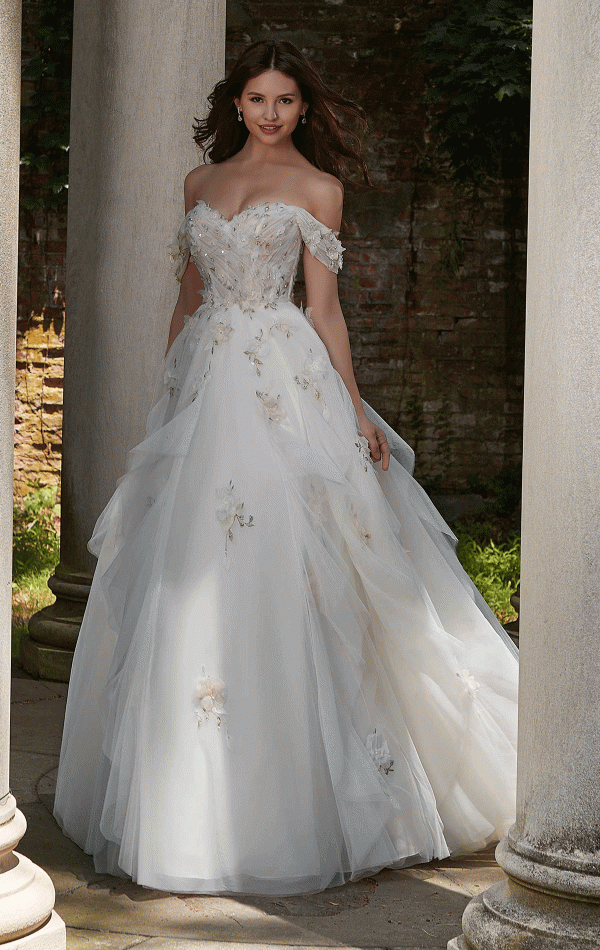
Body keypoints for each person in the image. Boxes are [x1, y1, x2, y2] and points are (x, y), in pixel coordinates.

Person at [54, 40, 518, 897]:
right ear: (236, 104)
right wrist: (168, 399)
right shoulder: (198, 186)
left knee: (307, 560)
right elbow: (188, 300)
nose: (271, 113)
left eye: (287, 101)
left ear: (305, 110)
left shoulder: (319, 190)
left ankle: (323, 789)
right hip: (205, 384)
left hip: (283, 379)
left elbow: (327, 311)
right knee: (184, 570)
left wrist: (349, 409)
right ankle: (187, 793)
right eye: (258, 99)